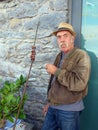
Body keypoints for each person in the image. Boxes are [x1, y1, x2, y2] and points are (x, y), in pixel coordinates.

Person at [31, 22, 91, 130]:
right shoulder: (59, 55)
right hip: (53, 107)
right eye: (59, 37)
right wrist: (49, 102)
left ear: (72, 38)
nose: (62, 40)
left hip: (69, 110)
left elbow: (79, 83)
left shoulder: (81, 55)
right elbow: (54, 83)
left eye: (65, 36)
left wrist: (56, 71)